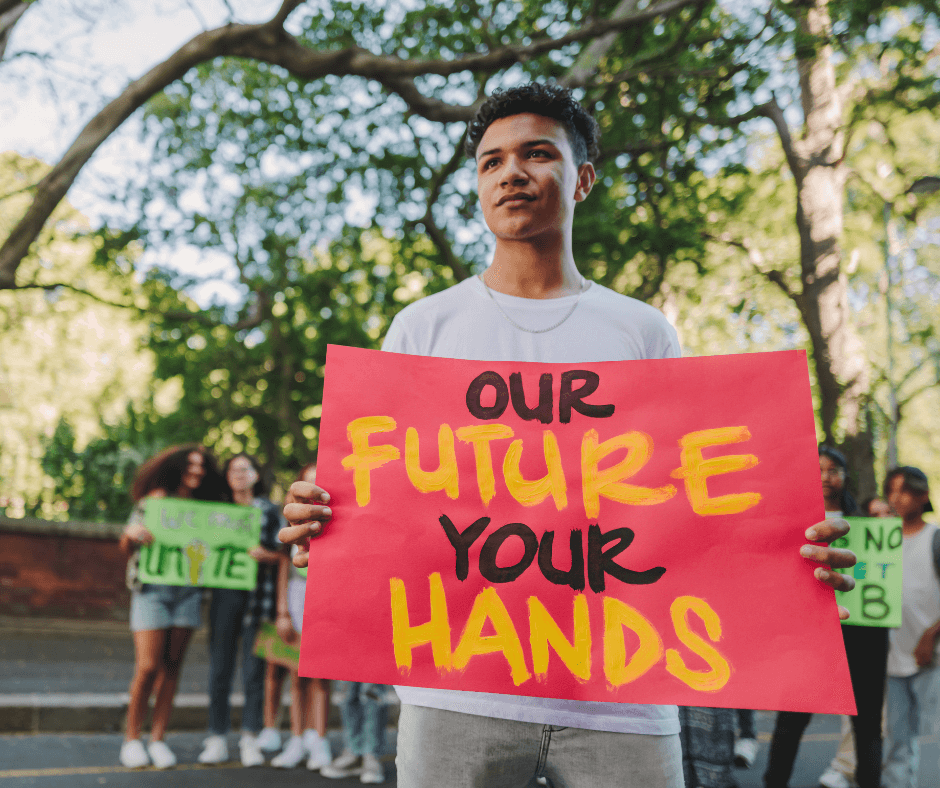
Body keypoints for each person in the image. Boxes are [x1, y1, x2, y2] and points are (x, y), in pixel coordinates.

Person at [280, 82, 858, 788]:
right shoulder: (423, 329)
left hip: (623, 701)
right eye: (490, 162)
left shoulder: (643, 332)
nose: (510, 173)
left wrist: (788, 556)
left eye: (536, 154)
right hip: (456, 696)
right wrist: (323, 525)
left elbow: (692, 509)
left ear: (581, 178)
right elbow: (384, 502)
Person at [764, 446, 888, 788]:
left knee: (867, 724)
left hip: (863, 634)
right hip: (807, 635)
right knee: (791, 720)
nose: (825, 476)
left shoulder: (867, 521)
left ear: (846, 476)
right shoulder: (790, 521)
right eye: (817, 468)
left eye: (833, 469)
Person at [118, 444, 229, 769]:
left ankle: (158, 739)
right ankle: (132, 738)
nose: (195, 472)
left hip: (189, 593)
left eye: (201, 467)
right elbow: (127, 545)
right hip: (152, 590)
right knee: (148, 666)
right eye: (189, 466)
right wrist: (131, 534)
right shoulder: (154, 501)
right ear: (177, 467)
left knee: (172, 667)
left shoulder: (206, 508)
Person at [198, 453, 285, 767]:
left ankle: (250, 737)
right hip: (223, 599)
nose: (238, 474)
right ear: (227, 477)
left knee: (254, 672)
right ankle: (217, 737)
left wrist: (267, 556)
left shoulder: (269, 511)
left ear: (254, 476)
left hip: (258, 601)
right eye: (233, 470)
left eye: (244, 469)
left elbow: (284, 555)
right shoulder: (217, 513)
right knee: (220, 669)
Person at [269, 463, 334, 771]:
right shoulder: (292, 521)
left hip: (328, 602)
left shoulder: (336, 522)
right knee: (296, 675)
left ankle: (318, 740)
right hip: (296, 601)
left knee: (321, 678)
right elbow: (285, 566)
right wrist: (282, 611)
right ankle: (296, 739)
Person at [882, 466, 939, 788]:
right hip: (893, 655)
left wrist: (930, 635)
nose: (895, 497)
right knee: (897, 736)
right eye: (891, 490)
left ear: (923, 495)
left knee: (929, 733)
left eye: (903, 490)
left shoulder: (935, 539)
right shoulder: (882, 538)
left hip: (929, 654)